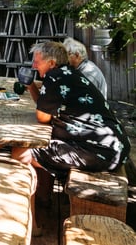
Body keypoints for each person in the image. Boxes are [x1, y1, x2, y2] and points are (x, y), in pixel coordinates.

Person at [11, 41, 130, 233]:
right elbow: (46, 105)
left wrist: (32, 86)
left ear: (50, 63)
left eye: (37, 61)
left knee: (21, 153)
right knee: (42, 149)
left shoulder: (54, 77)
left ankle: (30, 223)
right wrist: (31, 85)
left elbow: (42, 116)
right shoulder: (70, 74)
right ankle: (43, 199)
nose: (33, 65)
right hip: (114, 146)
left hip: (99, 151)